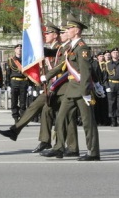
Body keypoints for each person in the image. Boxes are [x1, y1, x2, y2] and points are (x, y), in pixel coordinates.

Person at [0, 21, 79, 156]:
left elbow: (63, 67)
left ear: (55, 35)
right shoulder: (58, 48)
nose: (45, 35)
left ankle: (64, 147)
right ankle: (46, 141)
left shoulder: (65, 48)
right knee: (45, 110)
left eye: (47, 33)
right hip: (54, 86)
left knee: (63, 117)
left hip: (62, 86)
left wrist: (47, 77)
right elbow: (49, 53)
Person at [40, 14, 100, 161]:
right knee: (60, 118)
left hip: (81, 89)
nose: (67, 30)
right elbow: (62, 65)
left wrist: (86, 92)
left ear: (77, 30)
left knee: (88, 122)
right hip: (71, 89)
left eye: (70, 28)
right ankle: (59, 148)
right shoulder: (71, 47)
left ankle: (93, 152)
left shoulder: (82, 48)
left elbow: (86, 72)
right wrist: (46, 77)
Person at [5, 44, 30, 123]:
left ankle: (22, 118)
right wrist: (8, 84)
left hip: (24, 81)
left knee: (23, 102)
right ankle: (16, 117)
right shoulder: (10, 60)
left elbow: (29, 73)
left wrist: (30, 84)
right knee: (14, 101)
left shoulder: (26, 60)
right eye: (18, 48)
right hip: (14, 82)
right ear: (15, 50)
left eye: (21, 48)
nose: (19, 50)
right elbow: (8, 73)